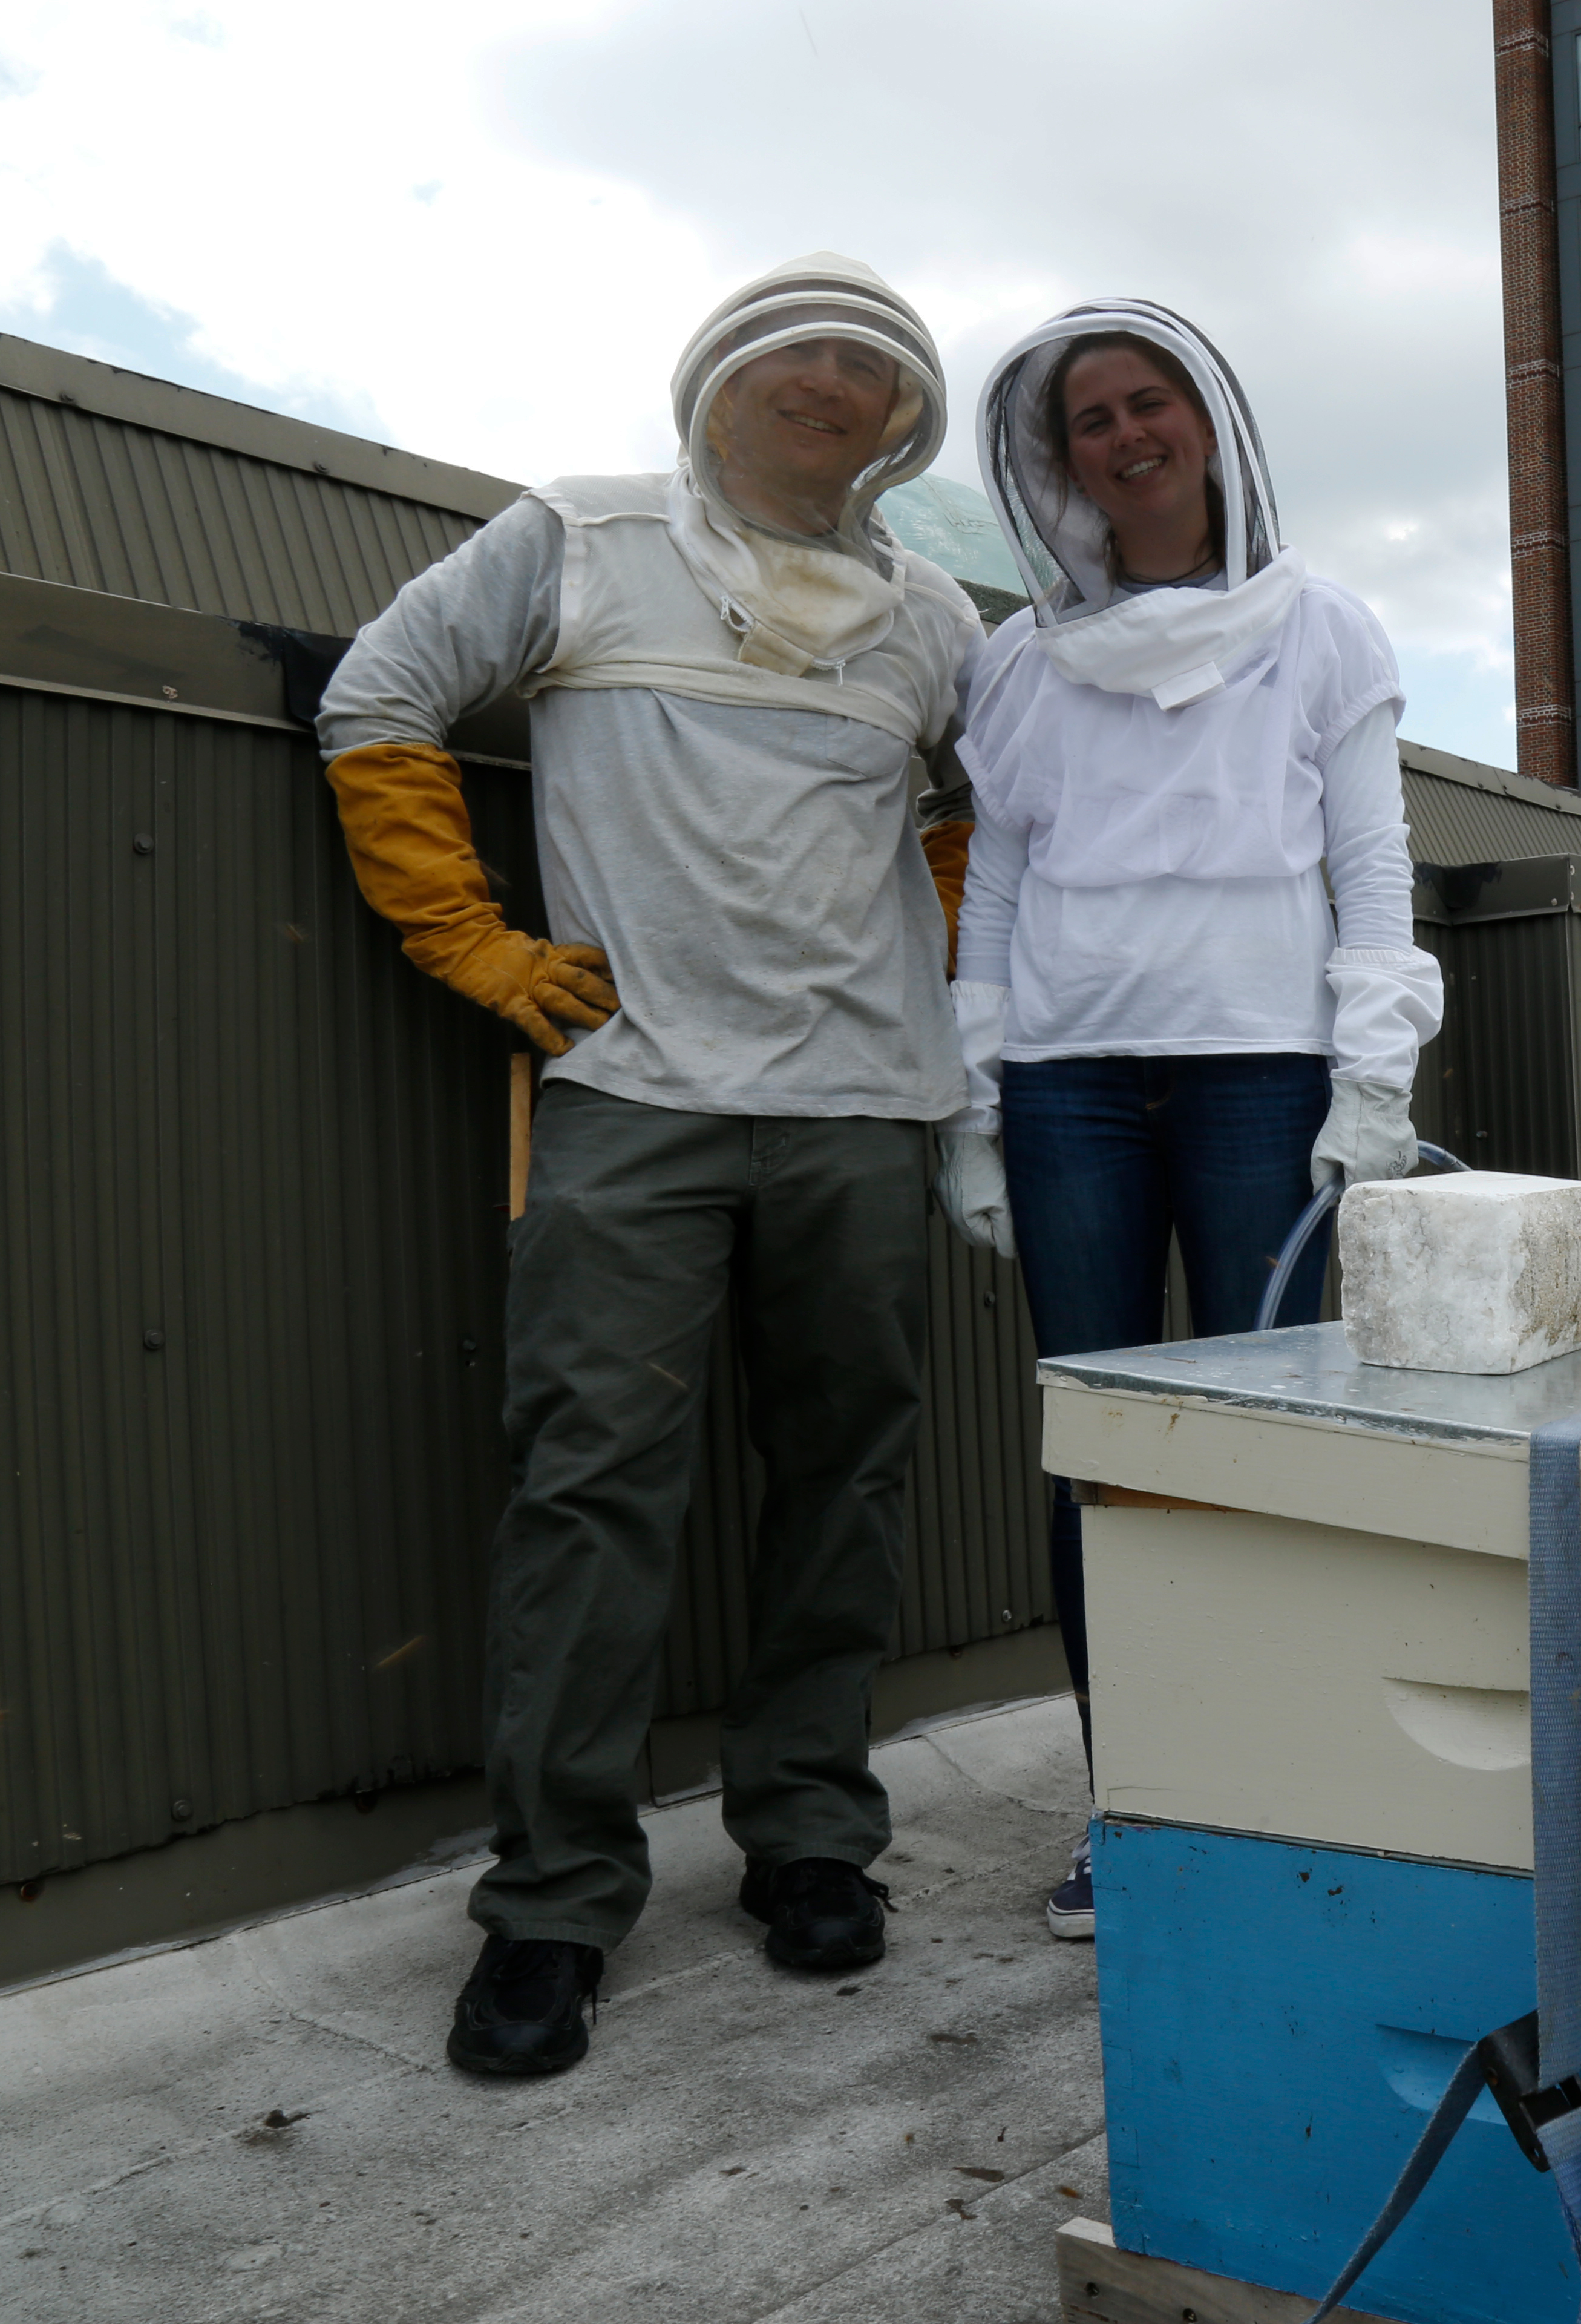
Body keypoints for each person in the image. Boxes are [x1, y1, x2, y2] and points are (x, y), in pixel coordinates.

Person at [316, 254, 986, 2076]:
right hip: (629, 1093)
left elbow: (974, 818)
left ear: (903, 420)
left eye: (872, 367)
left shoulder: (936, 617)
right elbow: (378, 703)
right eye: (798, 354)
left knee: (842, 1479)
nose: (833, 382)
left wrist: (932, 970)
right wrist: (473, 946)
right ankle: (549, 1909)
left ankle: (813, 1843)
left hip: (864, 1111)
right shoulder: (577, 535)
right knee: (589, 1490)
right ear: (716, 379)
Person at [931, 299, 1443, 1942]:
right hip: (1071, 1091)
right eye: (1091, 419)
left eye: (1150, 403)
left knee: (1273, 1451)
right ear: (1053, 457)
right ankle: (1131, 1805)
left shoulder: (1321, 630)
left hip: (1259, 1083)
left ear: (1209, 421)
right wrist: (975, 1104)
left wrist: (1373, 1079)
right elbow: (996, 880)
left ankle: (1287, 1793)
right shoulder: (1019, 662)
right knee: (1105, 1461)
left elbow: (1370, 865)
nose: (1126, 436)